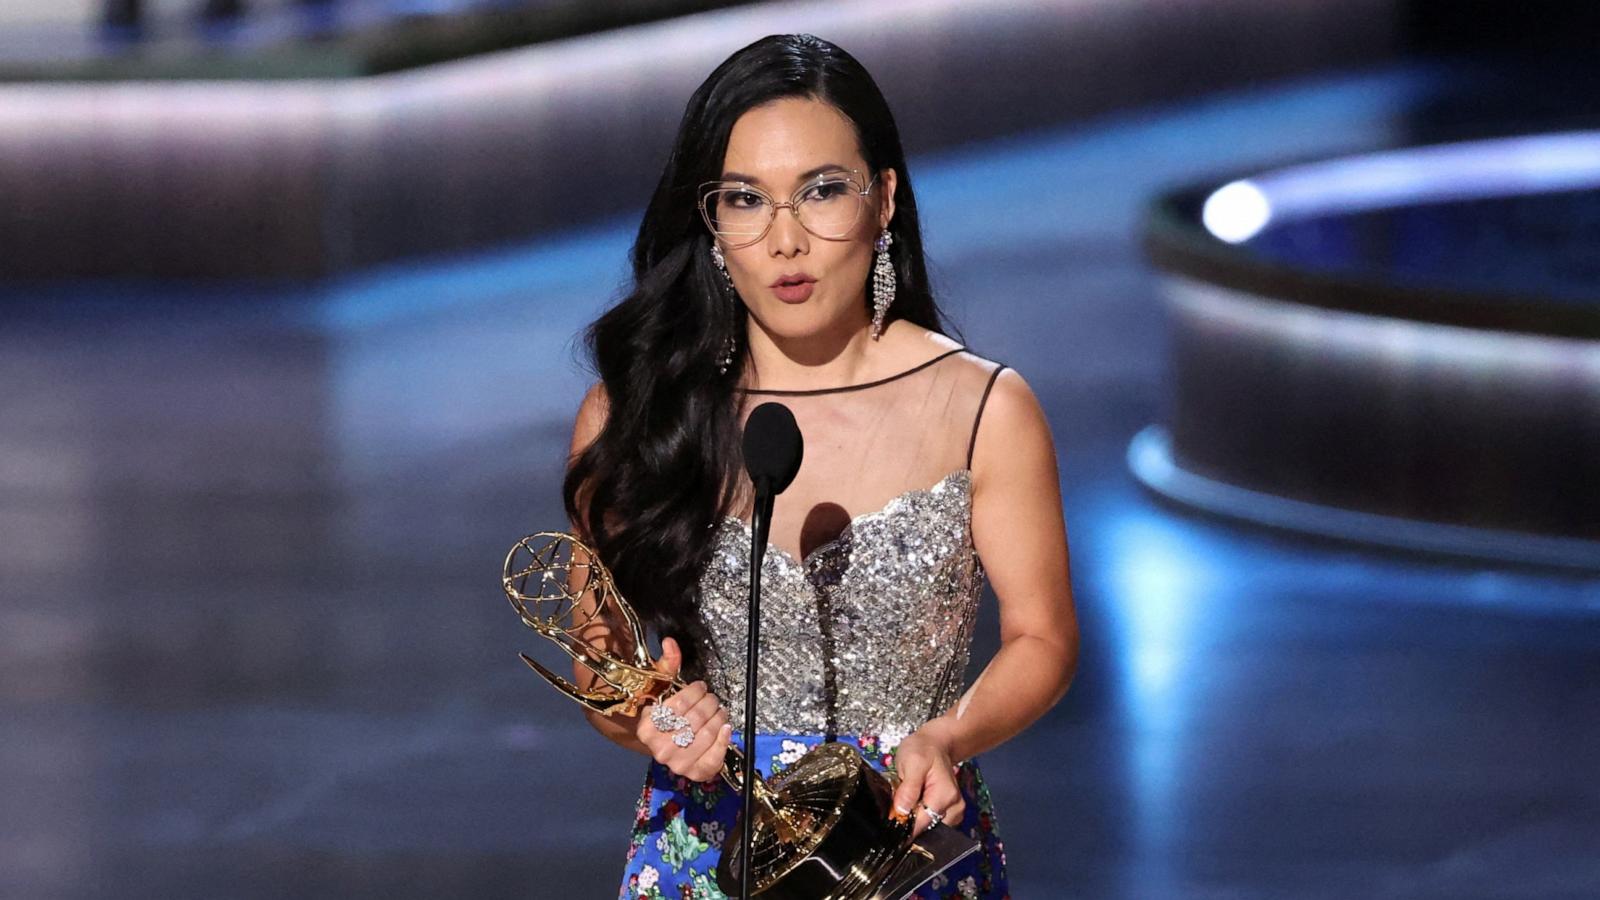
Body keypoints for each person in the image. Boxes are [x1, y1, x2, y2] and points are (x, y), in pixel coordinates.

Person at [562, 33, 1077, 900]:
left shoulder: (983, 408)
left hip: (901, 838)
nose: (785, 240)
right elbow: (597, 656)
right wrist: (650, 717)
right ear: (712, 223)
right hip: (706, 844)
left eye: (821, 191)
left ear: (882, 200)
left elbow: (1044, 638)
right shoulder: (637, 412)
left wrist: (949, 737)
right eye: (747, 200)